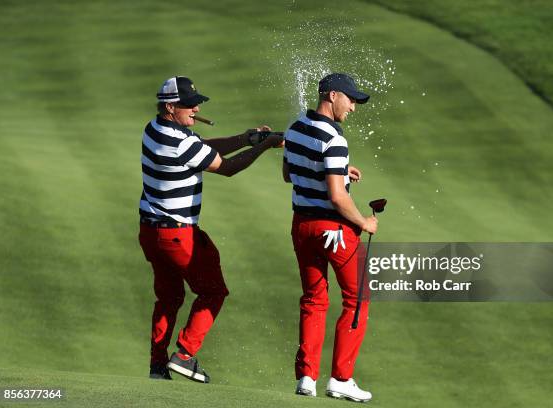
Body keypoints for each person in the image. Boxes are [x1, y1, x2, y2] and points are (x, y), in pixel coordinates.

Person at [139, 76, 282, 382]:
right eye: (189, 104)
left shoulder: (154, 130)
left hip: (150, 232)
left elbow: (202, 148)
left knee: (169, 297)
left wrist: (245, 139)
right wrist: (266, 145)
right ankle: (185, 355)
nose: (195, 108)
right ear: (169, 106)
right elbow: (226, 168)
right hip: (178, 235)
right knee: (213, 291)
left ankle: (157, 366)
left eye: (197, 103)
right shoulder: (182, 141)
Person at [282, 73, 378, 402]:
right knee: (357, 300)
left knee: (314, 299)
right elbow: (338, 198)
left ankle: (306, 376)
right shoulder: (335, 139)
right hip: (333, 230)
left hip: (302, 227)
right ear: (332, 96)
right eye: (350, 100)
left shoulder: (295, 127)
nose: (353, 106)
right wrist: (364, 223)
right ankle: (341, 378)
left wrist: (337, 169)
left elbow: (288, 173)